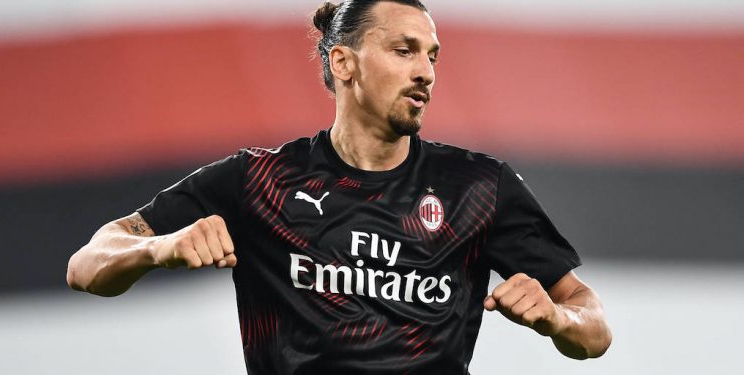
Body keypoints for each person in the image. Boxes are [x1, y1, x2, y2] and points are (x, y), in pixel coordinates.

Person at [66, 0, 612, 373]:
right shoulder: (258, 179)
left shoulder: (478, 185)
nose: (426, 71)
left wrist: (557, 317)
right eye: (404, 51)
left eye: (432, 55)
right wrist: (158, 247)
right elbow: (87, 266)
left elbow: (594, 328)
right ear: (343, 62)